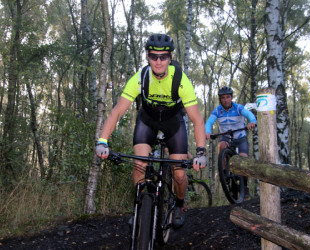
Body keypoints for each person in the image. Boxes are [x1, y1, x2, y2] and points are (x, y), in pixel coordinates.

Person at [96, 33, 206, 228]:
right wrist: (103, 141)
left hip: (173, 124)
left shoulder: (181, 80)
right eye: (153, 56)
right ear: (147, 56)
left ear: (170, 58)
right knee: (139, 164)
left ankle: (179, 205)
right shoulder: (141, 77)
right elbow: (117, 112)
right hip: (147, 122)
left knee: (179, 175)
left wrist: (201, 152)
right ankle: (139, 206)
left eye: (163, 57)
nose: (158, 61)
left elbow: (197, 120)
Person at [204, 86, 256, 197]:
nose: (226, 100)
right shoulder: (218, 110)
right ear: (220, 99)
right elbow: (209, 122)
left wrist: (252, 121)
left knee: (244, 159)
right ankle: (223, 173)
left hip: (240, 137)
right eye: (223, 98)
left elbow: (249, 114)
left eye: (228, 97)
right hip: (226, 137)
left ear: (232, 97)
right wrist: (207, 131)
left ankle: (245, 186)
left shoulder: (238, 108)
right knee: (221, 145)